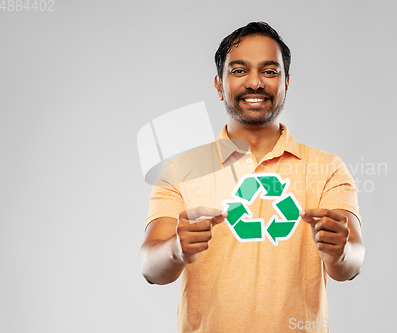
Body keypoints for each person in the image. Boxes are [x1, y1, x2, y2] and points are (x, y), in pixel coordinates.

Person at [140, 21, 365, 333]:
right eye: (239, 70)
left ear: (287, 83)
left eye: (270, 71)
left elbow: (350, 263)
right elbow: (151, 268)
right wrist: (176, 248)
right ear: (219, 85)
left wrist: (341, 251)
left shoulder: (327, 168)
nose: (255, 83)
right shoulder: (181, 169)